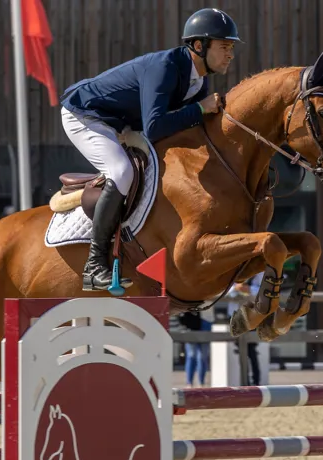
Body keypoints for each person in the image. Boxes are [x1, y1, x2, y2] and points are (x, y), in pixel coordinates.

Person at [59, 8, 242, 292]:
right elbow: (156, 127)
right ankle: (94, 266)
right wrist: (198, 109)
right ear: (198, 46)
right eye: (224, 47)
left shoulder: (199, 79)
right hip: (85, 116)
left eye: (231, 48)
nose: (230, 54)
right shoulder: (166, 67)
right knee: (121, 173)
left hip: (122, 124)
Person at [178, 311, 212, 387]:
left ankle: (196, 382)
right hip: (198, 322)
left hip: (197, 323)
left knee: (198, 357)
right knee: (195, 356)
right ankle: (194, 382)